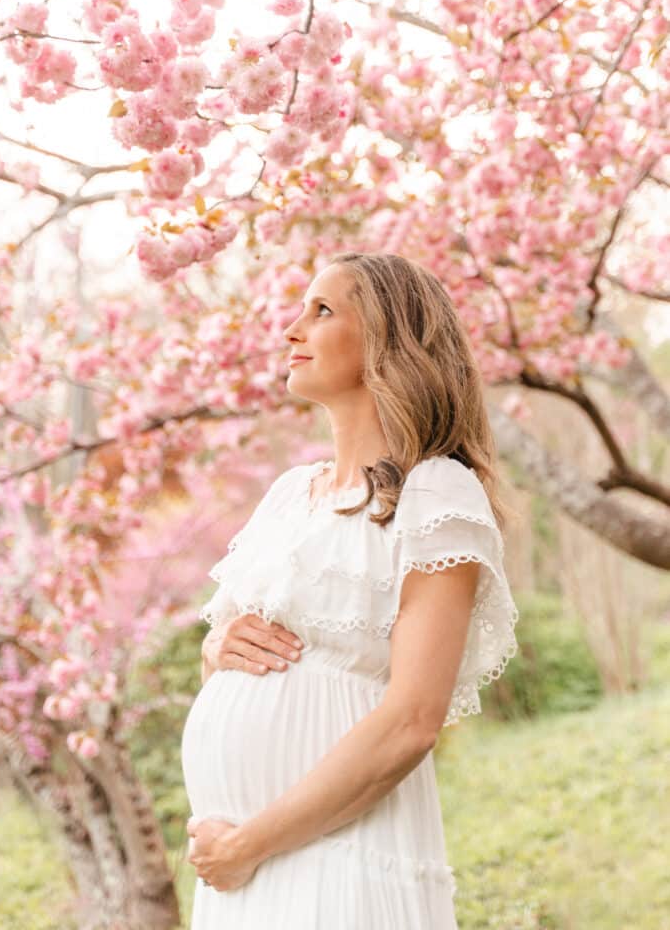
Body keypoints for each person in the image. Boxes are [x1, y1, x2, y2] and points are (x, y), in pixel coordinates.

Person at [181, 251, 520, 929]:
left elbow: (411, 722)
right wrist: (219, 648)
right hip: (238, 868)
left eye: (322, 310)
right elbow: (237, 665)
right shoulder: (287, 495)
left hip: (338, 858)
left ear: (387, 341)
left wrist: (251, 844)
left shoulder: (432, 492)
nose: (291, 329)